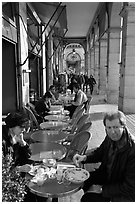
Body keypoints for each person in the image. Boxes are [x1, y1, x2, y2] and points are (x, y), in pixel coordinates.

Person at [73, 110, 135, 202]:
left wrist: (103, 190)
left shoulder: (132, 150)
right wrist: (85, 157)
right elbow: (100, 152)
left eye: (116, 127)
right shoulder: (109, 137)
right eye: (109, 127)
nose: (112, 132)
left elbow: (130, 186)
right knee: (82, 181)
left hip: (120, 188)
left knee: (88, 199)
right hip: (107, 175)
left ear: (123, 126)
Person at [4, 111, 48, 202]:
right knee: (37, 195)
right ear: (12, 126)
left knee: (43, 191)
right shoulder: (3, 142)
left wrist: (23, 143)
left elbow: (28, 156)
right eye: (21, 127)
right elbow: (3, 172)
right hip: (9, 181)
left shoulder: (15, 136)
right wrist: (20, 169)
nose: (24, 130)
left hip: (20, 173)